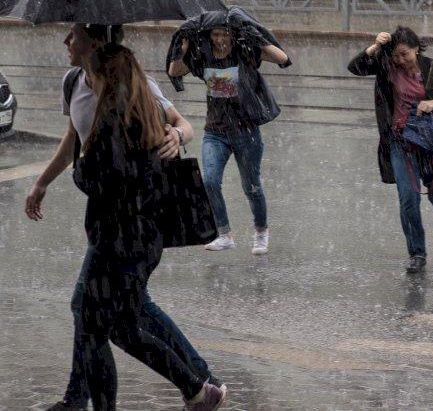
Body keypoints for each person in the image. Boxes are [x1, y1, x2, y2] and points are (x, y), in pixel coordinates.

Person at [24, 24, 222, 410]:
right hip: (118, 231)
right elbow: (75, 139)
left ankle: (195, 386)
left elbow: (106, 170)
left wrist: (177, 135)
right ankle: (197, 387)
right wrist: (43, 181)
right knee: (111, 319)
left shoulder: (129, 102)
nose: (66, 41)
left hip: (127, 233)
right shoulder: (78, 84)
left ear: (97, 45)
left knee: (100, 319)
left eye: (74, 35)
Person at [348, 27, 433, 273]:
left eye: (405, 54)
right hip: (400, 141)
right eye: (396, 56)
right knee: (408, 198)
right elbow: (356, 67)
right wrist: (375, 47)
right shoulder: (387, 67)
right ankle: (417, 253)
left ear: (416, 49)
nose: (401, 60)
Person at [168, 25, 290, 254]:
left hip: (247, 132)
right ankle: (224, 234)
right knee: (210, 182)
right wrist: (183, 47)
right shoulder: (203, 56)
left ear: (232, 35)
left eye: (225, 34)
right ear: (209, 36)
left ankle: (261, 232)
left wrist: (257, 38)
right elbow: (175, 71)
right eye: (215, 34)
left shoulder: (244, 52)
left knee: (251, 187)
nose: (220, 39)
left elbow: (281, 58)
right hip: (215, 132)